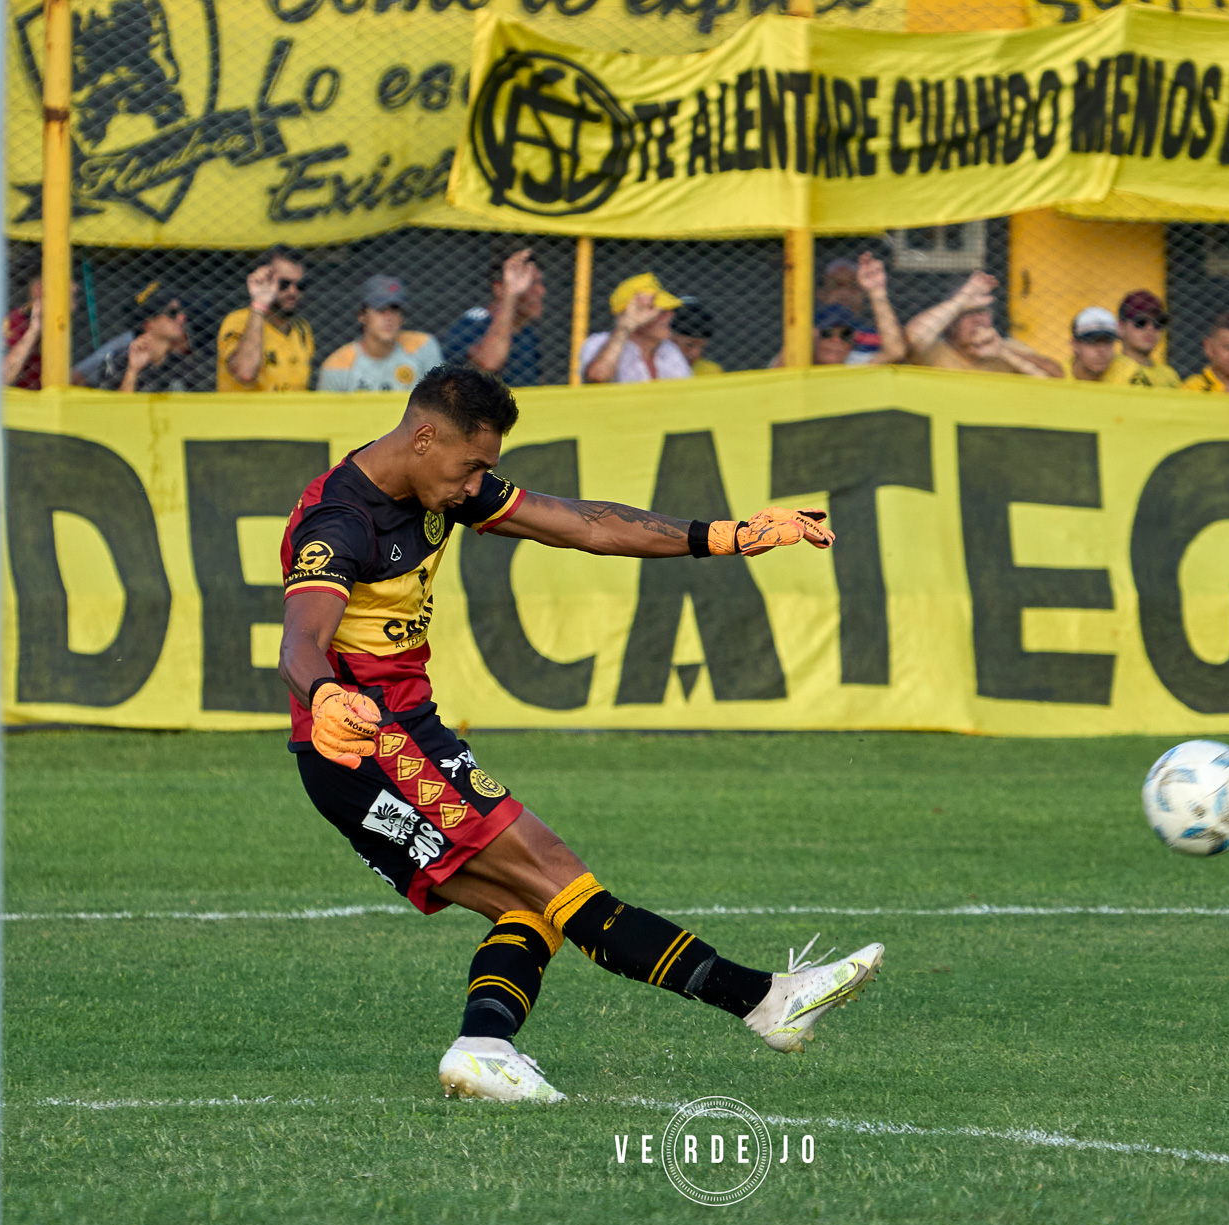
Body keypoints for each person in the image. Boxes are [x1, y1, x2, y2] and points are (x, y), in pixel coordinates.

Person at [278, 363, 883, 1102]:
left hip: (393, 738)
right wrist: (327, 693)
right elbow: (298, 644)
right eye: (472, 467)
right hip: (372, 743)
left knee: (529, 907)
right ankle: (764, 1000)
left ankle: (483, 1048)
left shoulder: (436, 484)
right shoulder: (342, 519)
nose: (476, 487)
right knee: (560, 878)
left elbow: (587, 525)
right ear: (425, 436)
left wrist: (727, 536)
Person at [903, 271, 1062, 377]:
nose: (977, 319)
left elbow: (1057, 375)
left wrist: (1003, 352)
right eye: (967, 313)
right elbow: (913, 337)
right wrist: (962, 299)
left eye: (983, 311)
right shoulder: (933, 350)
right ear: (949, 322)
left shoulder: (1008, 346)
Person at [318, 276, 444, 393]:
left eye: (394, 309)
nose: (389, 318)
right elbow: (326, 416)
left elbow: (441, 404)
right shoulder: (337, 366)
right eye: (381, 309)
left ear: (402, 317)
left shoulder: (423, 347)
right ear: (362, 315)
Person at [218, 246, 314, 392]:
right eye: (284, 284)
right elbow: (245, 372)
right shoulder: (238, 320)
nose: (293, 292)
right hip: (249, 414)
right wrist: (259, 303)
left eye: (300, 285)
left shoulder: (302, 329)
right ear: (265, 280)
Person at [444, 250, 545, 387]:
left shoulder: (527, 333)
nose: (541, 291)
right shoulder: (473, 321)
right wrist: (510, 294)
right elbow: (488, 364)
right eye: (531, 283)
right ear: (499, 289)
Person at [580, 273, 691, 384]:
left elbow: (687, 394)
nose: (670, 315)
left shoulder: (669, 350)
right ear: (628, 314)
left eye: (670, 310)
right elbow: (597, 378)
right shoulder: (598, 342)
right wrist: (625, 328)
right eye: (660, 312)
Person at [94, 284, 202, 393]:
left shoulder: (182, 365)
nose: (182, 317)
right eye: (172, 313)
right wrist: (132, 370)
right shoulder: (118, 362)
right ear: (148, 323)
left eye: (181, 311)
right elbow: (115, 409)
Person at [2, 271, 80, 389]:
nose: (75, 287)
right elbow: (3, 377)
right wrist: (33, 332)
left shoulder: (57, 325)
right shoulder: (15, 322)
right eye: (69, 295)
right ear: (39, 290)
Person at [1105, 290, 1181, 388]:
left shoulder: (1169, 375)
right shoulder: (1107, 368)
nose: (1150, 328)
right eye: (1140, 322)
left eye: (1158, 322)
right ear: (1120, 327)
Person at [1066, 307, 1119, 382]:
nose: (1101, 350)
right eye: (1092, 342)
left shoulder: (1130, 376)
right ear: (1075, 345)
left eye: (1108, 341)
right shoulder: (1056, 377)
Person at [671, 297, 722, 376]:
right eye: (689, 345)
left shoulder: (711, 371)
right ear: (670, 339)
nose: (696, 354)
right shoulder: (656, 368)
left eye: (702, 346)